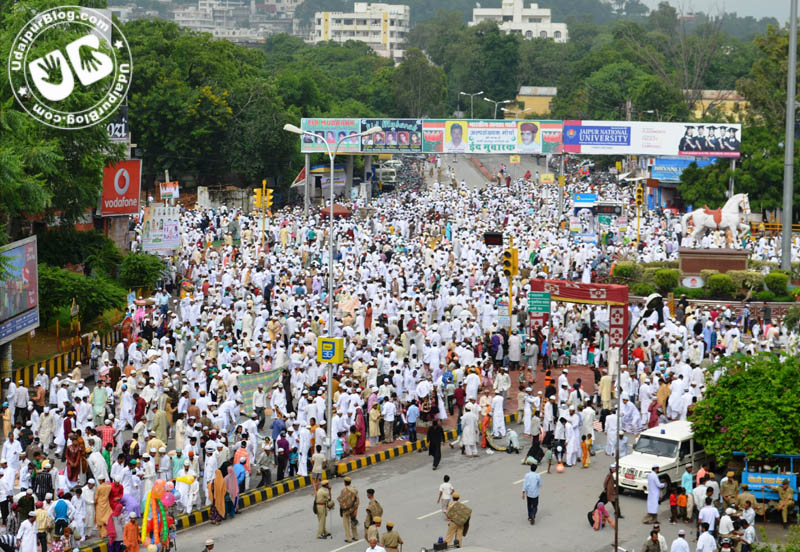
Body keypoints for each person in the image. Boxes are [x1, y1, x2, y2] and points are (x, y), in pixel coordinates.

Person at [337, 477, 359, 543]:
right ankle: (355, 536)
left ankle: (349, 538)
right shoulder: (355, 490)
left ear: (344, 483)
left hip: (346, 510)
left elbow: (341, 500)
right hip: (353, 509)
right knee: (353, 522)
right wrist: (355, 510)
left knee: (346, 524)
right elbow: (357, 501)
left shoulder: (343, 491)